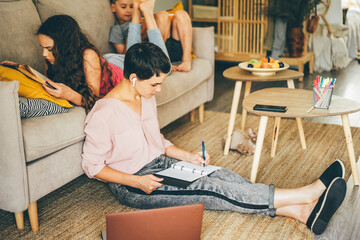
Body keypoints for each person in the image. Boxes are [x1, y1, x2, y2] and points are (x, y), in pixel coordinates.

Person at [81, 42, 347, 235]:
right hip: (135, 184)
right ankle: (306, 193)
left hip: (162, 164)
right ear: (133, 77)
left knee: (223, 175)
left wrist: (188, 156)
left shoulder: (145, 96)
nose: (159, 90)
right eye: (155, 84)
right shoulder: (104, 113)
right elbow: (92, 167)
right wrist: (135, 181)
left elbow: (155, 140)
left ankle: (302, 212)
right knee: (212, 190)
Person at [108, 0, 193, 72]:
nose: (129, 10)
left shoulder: (143, 19)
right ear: (113, 7)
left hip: (169, 45)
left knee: (180, 14)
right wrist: (138, 32)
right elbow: (125, 56)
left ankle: (186, 59)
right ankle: (162, 58)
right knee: (161, 15)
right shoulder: (117, 29)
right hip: (151, 53)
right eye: (123, 7)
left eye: (132, 6)